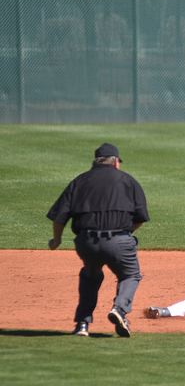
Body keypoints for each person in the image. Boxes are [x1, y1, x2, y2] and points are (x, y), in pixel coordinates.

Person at [47, 143, 150, 337]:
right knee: (130, 275)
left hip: (87, 243)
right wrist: (124, 233)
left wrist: (56, 240)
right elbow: (140, 218)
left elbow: (59, 216)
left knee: (91, 275)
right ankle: (119, 310)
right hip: (119, 241)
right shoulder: (128, 181)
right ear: (116, 162)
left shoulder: (79, 181)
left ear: (95, 162)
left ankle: (82, 325)